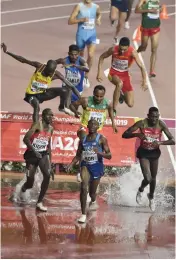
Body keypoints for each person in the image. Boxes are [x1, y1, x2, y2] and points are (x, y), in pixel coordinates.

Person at [1, 43, 81, 122]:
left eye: (51, 72)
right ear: (46, 67)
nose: (50, 74)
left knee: (66, 90)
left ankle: (62, 107)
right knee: (36, 106)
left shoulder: (56, 74)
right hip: (31, 95)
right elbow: (23, 60)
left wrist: (80, 98)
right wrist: (7, 51)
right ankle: (35, 125)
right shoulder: (39, 67)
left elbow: (71, 86)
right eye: (48, 72)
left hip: (42, 94)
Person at [122, 107, 175, 212]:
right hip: (144, 153)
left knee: (153, 178)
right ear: (148, 116)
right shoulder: (141, 123)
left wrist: (160, 143)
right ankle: (140, 190)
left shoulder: (161, 124)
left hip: (155, 153)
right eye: (152, 117)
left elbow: (173, 140)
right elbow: (125, 134)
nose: (154, 119)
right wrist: (137, 134)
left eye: (156, 117)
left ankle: (151, 197)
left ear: (158, 116)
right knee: (148, 178)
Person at [67, 119, 112, 223]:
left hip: (97, 167)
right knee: (83, 187)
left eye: (94, 124)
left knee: (92, 192)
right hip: (85, 166)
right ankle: (83, 214)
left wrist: (99, 153)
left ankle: (93, 200)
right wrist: (71, 164)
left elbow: (109, 155)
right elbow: (78, 155)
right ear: (87, 125)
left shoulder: (101, 139)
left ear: (98, 127)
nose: (92, 126)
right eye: (90, 124)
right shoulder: (83, 140)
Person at [70, 84, 117, 182]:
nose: (99, 98)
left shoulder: (108, 103)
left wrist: (113, 123)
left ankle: (94, 173)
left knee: (93, 152)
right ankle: (80, 171)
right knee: (84, 140)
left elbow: (111, 110)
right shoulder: (85, 100)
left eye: (101, 96)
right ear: (93, 94)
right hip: (84, 127)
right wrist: (75, 112)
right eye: (96, 96)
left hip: (97, 131)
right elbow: (72, 105)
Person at [97, 37, 147, 115]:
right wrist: (99, 72)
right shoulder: (113, 49)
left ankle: (121, 94)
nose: (122, 51)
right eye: (121, 49)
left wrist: (145, 81)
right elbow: (101, 57)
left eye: (124, 50)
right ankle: (113, 109)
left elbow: (142, 67)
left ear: (128, 47)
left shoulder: (133, 52)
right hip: (112, 73)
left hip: (125, 75)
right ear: (119, 45)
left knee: (130, 104)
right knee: (119, 83)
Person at [20, 108, 55, 212]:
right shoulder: (37, 125)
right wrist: (35, 151)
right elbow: (25, 139)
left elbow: (48, 147)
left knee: (47, 175)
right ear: (43, 116)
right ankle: (22, 190)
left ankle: (39, 202)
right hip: (31, 154)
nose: (51, 117)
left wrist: (51, 164)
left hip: (43, 155)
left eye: (52, 115)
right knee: (30, 183)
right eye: (49, 115)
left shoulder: (51, 129)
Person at [68, 0, 101, 88]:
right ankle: (80, 75)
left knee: (90, 55)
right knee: (80, 57)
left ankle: (86, 76)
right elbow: (70, 21)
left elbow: (99, 14)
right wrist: (81, 19)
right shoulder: (79, 6)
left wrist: (98, 19)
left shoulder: (96, 7)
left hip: (92, 35)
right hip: (81, 35)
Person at [135, 0, 162, 77]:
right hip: (146, 27)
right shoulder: (143, 0)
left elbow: (157, 10)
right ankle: (135, 53)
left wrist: (160, 10)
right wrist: (149, 10)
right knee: (143, 46)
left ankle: (152, 71)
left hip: (155, 27)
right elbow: (136, 10)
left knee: (154, 49)